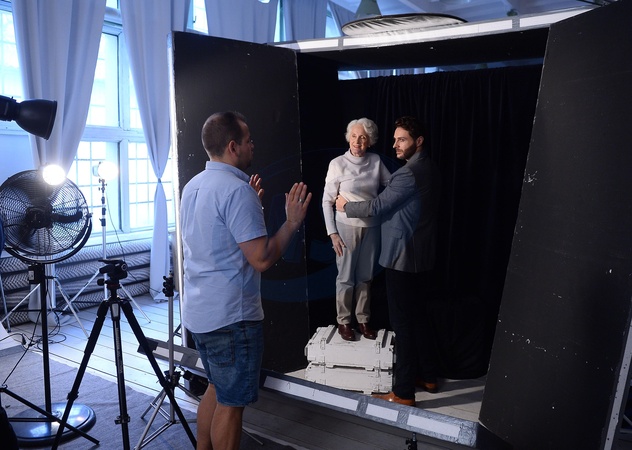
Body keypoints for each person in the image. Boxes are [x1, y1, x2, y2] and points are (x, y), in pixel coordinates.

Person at [180, 111, 312, 450]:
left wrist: (249, 205)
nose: (253, 145)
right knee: (231, 403)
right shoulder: (236, 191)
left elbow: (219, 238)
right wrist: (291, 223)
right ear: (233, 146)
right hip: (231, 319)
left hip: (200, 313)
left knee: (215, 388)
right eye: (249, 140)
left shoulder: (193, 186)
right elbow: (262, 258)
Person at [336, 116, 441, 406]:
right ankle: (428, 376)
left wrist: (346, 206)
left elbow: (379, 205)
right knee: (419, 318)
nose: (395, 145)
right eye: (394, 139)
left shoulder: (409, 173)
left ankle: (404, 392)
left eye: (402, 139)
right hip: (422, 255)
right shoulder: (430, 167)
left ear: (419, 141)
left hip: (402, 257)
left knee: (403, 324)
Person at [322, 118, 391, 341]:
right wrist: (332, 233)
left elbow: (392, 186)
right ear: (348, 138)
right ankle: (344, 321)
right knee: (345, 277)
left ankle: (363, 319)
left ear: (369, 141)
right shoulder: (337, 164)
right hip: (345, 227)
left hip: (372, 227)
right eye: (354, 136)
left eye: (363, 137)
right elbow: (327, 201)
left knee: (366, 277)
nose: (357, 141)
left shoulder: (376, 161)